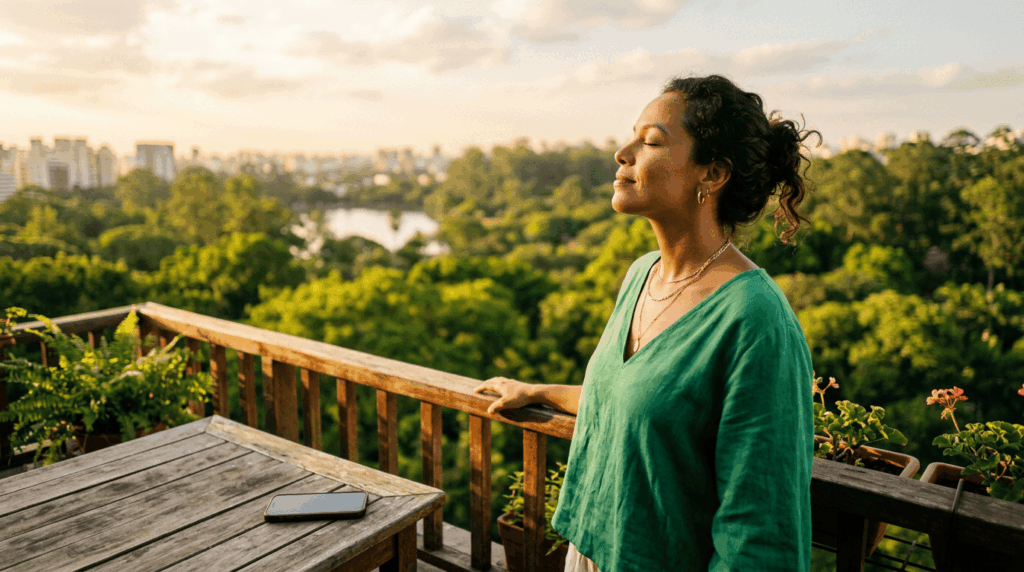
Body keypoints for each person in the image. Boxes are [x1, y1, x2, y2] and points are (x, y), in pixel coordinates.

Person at [473, 74, 819, 571]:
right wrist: (543, 391)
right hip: (589, 554)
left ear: (713, 174)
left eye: (651, 141)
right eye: (632, 135)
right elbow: (642, 397)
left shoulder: (755, 319)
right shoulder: (642, 275)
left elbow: (760, 533)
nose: (623, 152)